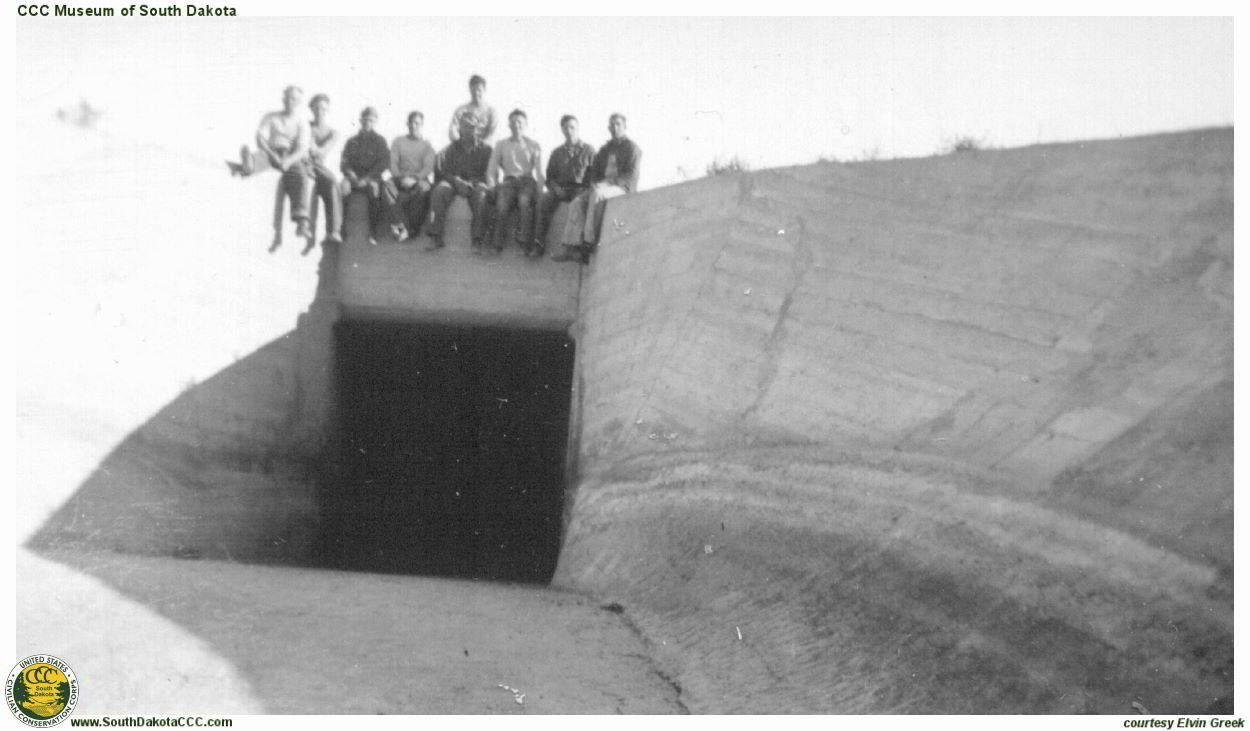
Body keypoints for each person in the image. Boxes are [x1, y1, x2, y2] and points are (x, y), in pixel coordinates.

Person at [228, 85, 315, 250]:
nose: (291, 102)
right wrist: (272, 153)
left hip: (291, 155)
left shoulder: (302, 123)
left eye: (295, 99)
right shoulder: (271, 117)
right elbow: (261, 137)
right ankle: (249, 164)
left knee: (300, 176)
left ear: (299, 103)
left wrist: (288, 161)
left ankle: (302, 222)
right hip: (271, 150)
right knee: (261, 159)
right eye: (288, 98)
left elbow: (302, 148)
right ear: (283, 99)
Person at [553, 113, 641, 263]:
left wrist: (609, 183)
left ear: (625, 127)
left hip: (621, 187)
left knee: (597, 195)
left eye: (618, 124)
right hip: (602, 186)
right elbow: (594, 172)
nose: (614, 127)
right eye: (612, 125)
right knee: (577, 201)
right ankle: (570, 246)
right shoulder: (605, 149)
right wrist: (594, 183)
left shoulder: (631, 148)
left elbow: (631, 175)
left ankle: (588, 243)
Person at [426, 114, 493, 252]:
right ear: (460, 129)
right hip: (454, 183)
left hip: (476, 184)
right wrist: (456, 181)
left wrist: (471, 183)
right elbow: (443, 170)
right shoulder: (451, 148)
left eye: (472, 126)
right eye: (465, 126)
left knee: (482, 195)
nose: (468, 129)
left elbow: (490, 174)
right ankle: (435, 237)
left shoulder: (486, 150)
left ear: (477, 129)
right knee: (439, 191)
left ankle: (477, 240)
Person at [533, 114, 596, 256]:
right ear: (562, 130)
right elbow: (549, 178)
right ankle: (539, 244)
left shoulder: (589, 150)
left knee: (578, 205)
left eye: (572, 127)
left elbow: (594, 176)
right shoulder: (557, 153)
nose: (569, 130)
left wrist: (585, 190)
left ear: (578, 128)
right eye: (566, 127)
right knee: (544, 201)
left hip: (580, 189)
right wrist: (556, 189)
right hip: (560, 189)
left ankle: (576, 248)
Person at [485, 109, 544, 256]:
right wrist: (491, 185)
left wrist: (540, 190)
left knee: (525, 201)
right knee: (502, 203)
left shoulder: (533, 145)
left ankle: (524, 240)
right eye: (513, 122)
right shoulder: (501, 144)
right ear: (509, 125)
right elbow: (491, 168)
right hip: (509, 182)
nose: (517, 125)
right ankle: (497, 243)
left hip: (527, 181)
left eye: (520, 122)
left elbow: (540, 172)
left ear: (525, 125)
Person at [339, 106, 391, 245]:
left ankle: (373, 233)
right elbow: (344, 162)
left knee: (375, 191)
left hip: (371, 178)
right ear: (360, 121)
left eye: (371, 120)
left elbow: (384, 163)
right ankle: (341, 229)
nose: (368, 123)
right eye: (366, 120)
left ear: (375, 122)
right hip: (353, 178)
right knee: (342, 187)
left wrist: (368, 179)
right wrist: (352, 176)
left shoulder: (380, 141)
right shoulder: (352, 141)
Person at [385, 110, 436, 243]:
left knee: (424, 190)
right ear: (407, 124)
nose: (414, 126)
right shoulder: (398, 141)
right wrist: (400, 178)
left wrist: (415, 179)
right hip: (400, 179)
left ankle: (411, 229)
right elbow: (393, 163)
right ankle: (402, 228)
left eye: (417, 123)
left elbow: (428, 168)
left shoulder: (427, 145)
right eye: (411, 123)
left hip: (418, 179)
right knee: (387, 186)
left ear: (422, 125)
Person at [307, 93, 343, 247]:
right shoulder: (304, 125)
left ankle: (333, 231)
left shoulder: (333, 132)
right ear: (312, 109)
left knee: (332, 182)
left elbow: (322, 151)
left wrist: (311, 147)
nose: (320, 111)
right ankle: (250, 164)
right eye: (317, 108)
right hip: (300, 161)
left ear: (327, 110)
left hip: (317, 166)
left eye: (323, 108)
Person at [448, 74, 498, 144]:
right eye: (473, 90)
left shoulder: (491, 111)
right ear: (470, 90)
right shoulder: (461, 110)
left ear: (484, 90)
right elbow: (453, 129)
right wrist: (459, 142)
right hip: (463, 146)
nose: (476, 93)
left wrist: (481, 144)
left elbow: (492, 132)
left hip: (484, 147)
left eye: (479, 90)